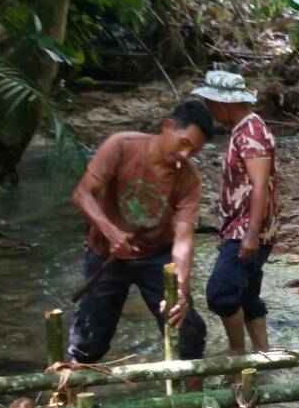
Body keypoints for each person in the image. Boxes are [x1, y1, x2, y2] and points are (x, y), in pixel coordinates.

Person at [66, 100, 213, 370]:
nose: (186, 154)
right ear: (168, 126)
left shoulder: (189, 179)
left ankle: (191, 397)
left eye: (194, 150)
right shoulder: (121, 146)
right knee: (88, 339)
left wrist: (181, 289)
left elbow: (183, 238)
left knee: (187, 331)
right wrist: (111, 232)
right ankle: (70, 391)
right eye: (184, 143)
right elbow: (83, 194)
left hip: (156, 255)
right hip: (105, 253)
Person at [194, 70, 279, 355]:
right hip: (243, 227)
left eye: (211, 104)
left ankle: (237, 351)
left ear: (223, 104)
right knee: (247, 293)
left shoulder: (251, 131)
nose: (210, 111)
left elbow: (260, 185)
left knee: (221, 293)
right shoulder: (244, 129)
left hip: (246, 229)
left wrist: (251, 234)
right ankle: (263, 355)